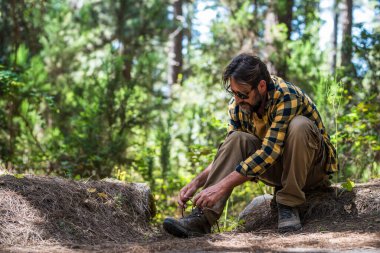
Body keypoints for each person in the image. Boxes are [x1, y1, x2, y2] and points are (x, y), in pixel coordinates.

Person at [163, 53, 339, 237]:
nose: (238, 99)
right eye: (234, 93)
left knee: (300, 125)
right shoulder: (238, 107)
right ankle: (203, 218)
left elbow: (269, 152)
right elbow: (230, 153)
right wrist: (197, 182)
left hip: (313, 168)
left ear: (261, 86)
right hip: (278, 167)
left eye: (243, 94)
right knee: (236, 138)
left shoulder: (287, 96)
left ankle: (289, 203)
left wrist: (221, 186)